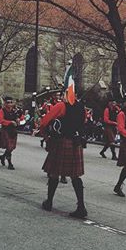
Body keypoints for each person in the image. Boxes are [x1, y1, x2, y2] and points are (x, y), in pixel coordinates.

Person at [39, 87, 88, 218]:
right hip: (76, 142)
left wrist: (46, 136)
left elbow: (44, 122)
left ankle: (49, 202)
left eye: (64, 94)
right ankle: (81, 207)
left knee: (54, 173)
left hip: (62, 141)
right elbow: (84, 123)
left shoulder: (61, 106)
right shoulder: (81, 107)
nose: (63, 96)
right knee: (75, 175)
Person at [0, 96, 20, 170]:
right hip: (6, 130)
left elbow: (19, 118)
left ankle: (3, 157)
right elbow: (1, 120)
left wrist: (18, 120)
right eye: (8, 102)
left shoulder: (14, 111)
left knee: (12, 147)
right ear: (5, 103)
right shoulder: (2, 111)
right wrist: (10, 122)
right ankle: (10, 163)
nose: (10, 104)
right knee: (9, 146)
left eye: (11, 102)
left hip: (13, 130)